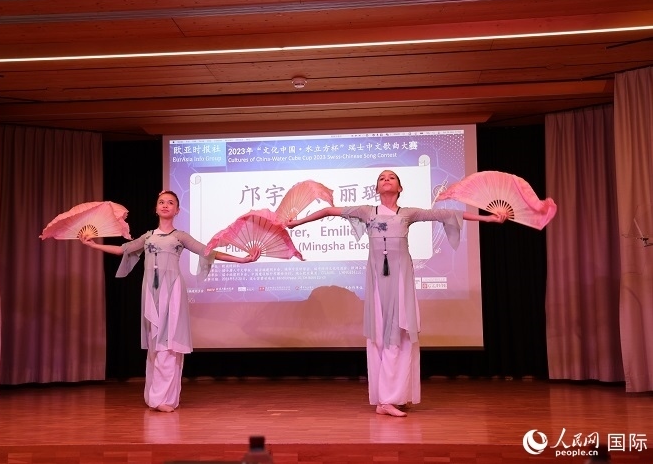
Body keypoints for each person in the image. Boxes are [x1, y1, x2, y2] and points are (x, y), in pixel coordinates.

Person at [287, 170, 506, 417]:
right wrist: (296, 223)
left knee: (400, 332)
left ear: (400, 188)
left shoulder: (407, 213)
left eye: (391, 177)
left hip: (400, 277)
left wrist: (488, 218)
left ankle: (396, 396)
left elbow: (446, 214)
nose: (386, 180)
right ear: (376, 189)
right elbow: (328, 211)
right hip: (378, 280)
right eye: (382, 178)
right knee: (382, 334)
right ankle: (385, 400)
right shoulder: (367, 212)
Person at [81, 190, 260, 412]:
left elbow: (208, 252)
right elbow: (122, 250)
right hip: (151, 291)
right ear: (156, 208)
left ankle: (163, 399)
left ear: (177, 210)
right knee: (155, 346)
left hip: (172, 291)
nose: (165, 205)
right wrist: (93, 245)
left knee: (169, 345)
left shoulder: (180, 236)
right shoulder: (148, 236)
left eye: (170, 203)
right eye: (161, 202)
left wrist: (242, 260)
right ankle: (155, 397)